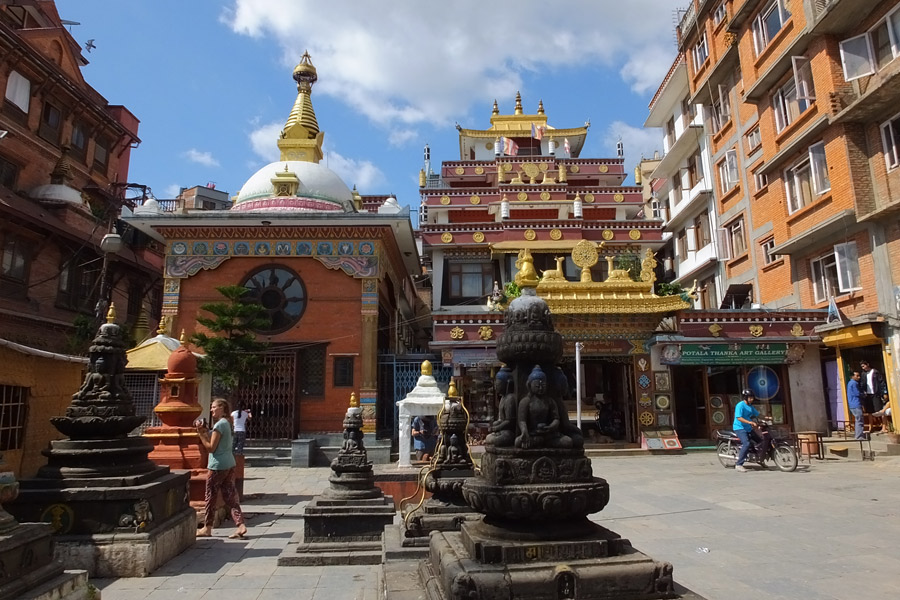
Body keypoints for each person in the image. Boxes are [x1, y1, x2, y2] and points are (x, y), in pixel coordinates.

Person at [196, 398, 247, 539]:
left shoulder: (220, 425)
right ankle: (240, 524)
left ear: (221, 408)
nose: (211, 409)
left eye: (213, 407)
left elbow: (211, 448)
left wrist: (200, 434)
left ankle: (207, 527)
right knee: (230, 495)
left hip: (217, 465)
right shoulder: (227, 424)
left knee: (210, 496)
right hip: (229, 463)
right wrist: (206, 432)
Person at [733, 388, 764, 472]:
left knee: (760, 441)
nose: (751, 399)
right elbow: (739, 417)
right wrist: (750, 422)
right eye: (750, 397)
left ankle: (759, 459)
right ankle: (739, 464)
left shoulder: (750, 407)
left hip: (748, 428)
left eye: (752, 397)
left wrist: (767, 417)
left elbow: (757, 414)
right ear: (745, 397)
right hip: (739, 428)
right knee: (746, 443)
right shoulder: (740, 405)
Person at [847, 371, 865, 440]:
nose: (859, 377)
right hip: (856, 403)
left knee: (858, 420)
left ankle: (858, 435)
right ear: (852, 376)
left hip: (852, 404)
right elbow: (857, 393)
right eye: (857, 376)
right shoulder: (854, 383)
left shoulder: (850, 383)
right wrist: (863, 394)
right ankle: (859, 436)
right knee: (859, 420)